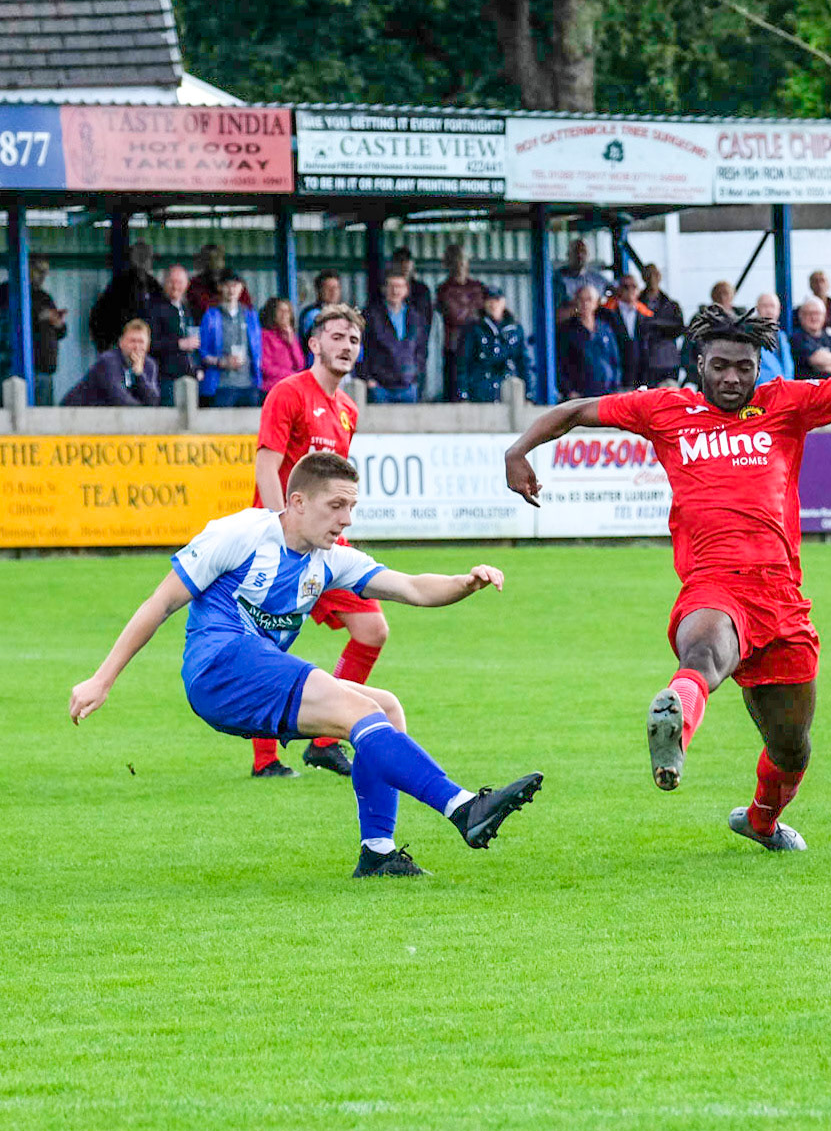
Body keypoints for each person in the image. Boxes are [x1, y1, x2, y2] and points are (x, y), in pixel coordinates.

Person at [502, 286, 831, 851]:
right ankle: (675, 719)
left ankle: (761, 821)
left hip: (782, 598)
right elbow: (575, 411)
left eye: (744, 368)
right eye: (720, 366)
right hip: (714, 585)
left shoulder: (785, 404)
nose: (732, 378)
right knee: (703, 654)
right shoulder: (665, 410)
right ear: (699, 363)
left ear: (758, 368)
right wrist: (517, 451)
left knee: (792, 748)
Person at [70, 450, 544, 879]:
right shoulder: (241, 534)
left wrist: (466, 582)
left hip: (255, 679)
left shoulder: (330, 560)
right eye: (336, 506)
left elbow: (413, 588)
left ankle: (377, 853)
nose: (346, 519)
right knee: (360, 712)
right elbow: (161, 603)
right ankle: (463, 807)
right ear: (297, 502)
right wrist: (102, 679)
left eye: (351, 507)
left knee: (386, 708)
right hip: (218, 668)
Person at [248, 304, 382, 780]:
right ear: (314, 343)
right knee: (269, 641)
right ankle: (265, 759)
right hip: (281, 540)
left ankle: (324, 742)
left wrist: (340, 529)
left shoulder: (347, 411)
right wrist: (278, 528)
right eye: (337, 337)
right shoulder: (288, 393)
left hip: (324, 546)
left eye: (354, 340)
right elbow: (267, 465)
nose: (346, 346)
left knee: (372, 630)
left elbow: (335, 485)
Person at [0, 257, 68, 406]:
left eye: (45, 272)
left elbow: (61, 332)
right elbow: (8, 324)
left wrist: (58, 324)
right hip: (14, 372)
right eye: (39, 270)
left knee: (44, 418)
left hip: (44, 372)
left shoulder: (44, 297)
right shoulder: (6, 293)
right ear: (26, 267)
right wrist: (39, 317)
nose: (43, 276)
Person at [198, 269, 262, 408]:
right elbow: (202, 352)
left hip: (249, 385)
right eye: (227, 285)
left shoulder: (250, 316)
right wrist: (222, 362)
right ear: (220, 287)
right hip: (221, 386)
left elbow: (258, 351)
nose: (231, 290)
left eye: (235, 285)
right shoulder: (211, 316)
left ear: (242, 288)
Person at [62, 318, 158, 406]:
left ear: (148, 344)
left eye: (141, 342)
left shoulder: (149, 365)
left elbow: (153, 400)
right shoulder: (109, 361)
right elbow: (119, 398)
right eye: (132, 341)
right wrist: (142, 411)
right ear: (121, 343)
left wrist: (139, 375)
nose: (137, 346)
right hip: (74, 411)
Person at [361, 273, 427, 403]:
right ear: (383, 289)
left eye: (399, 286)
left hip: (408, 386)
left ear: (406, 290)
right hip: (380, 387)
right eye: (391, 286)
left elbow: (421, 349)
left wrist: (416, 375)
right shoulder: (371, 316)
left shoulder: (415, 317)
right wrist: (367, 378)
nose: (395, 291)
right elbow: (361, 348)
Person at [89, 240, 165, 352]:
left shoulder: (153, 286)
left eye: (146, 258)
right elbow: (99, 318)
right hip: (124, 348)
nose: (144, 262)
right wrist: (108, 346)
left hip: (148, 348)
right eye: (140, 257)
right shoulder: (119, 285)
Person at [459, 286, 530, 402]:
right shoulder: (474, 328)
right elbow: (464, 362)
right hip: (481, 390)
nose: (493, 305)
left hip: (508, 388)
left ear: (503, 302)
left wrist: (528, 395)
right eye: (489, 301)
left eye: (497, 300)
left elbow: (523, 362)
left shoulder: (515, 329)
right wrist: (463, 395)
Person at [436, 244, 488, 401]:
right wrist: (473, 314)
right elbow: (454, 315)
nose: (459, 263)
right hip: (454, 348)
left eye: (462, 259)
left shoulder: (478, 287)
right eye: (455, 260)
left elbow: (486, 314)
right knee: (454, 392)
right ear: (447, 263)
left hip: (478, 347)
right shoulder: (443, 289)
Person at [148, 264, 201, 406]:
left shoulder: (187, 309)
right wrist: (179, 344)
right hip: (166, 379)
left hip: (190, 378)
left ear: (187, 285)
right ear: (164, 283)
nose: (175, 286)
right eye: (171, 282)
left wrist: (198, 368)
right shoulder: (154, 309)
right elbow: (150, 345)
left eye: (180, 282)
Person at [555, 283, 620, 399]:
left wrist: (615, 386)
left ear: (596, 303)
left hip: (607, 394)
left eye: (589, 299)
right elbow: (560, 364)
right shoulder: (567, 331)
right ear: (576, 302)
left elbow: (615, 360)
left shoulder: (605, 329)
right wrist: (569, 391)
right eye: (581, 299)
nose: (585, 304)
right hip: (581, 396)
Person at [639, 264, 686, 385]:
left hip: (668, 360)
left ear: (660, 277)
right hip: (646, 361)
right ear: (643, 278)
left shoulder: (671, 305)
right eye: (648, 275)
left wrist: (655, 325)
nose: (652, 279)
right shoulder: (637, 304)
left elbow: (679, 328)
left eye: (655, 275)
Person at [788, 297, 831, 379]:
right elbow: (816, 360)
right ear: (801, 315)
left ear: (824, 316)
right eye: (810, 313)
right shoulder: (796, 339)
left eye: (817, 313)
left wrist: (826, 369)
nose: (814, 317)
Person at [605, 270, 653, 385]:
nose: (630, 290)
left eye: (634, 286)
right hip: (617, 373)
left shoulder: (645, 315)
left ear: (639, 290)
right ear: (619, 290)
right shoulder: (608, 314)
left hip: (640, 375)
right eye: (626, 287)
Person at [187, 242, 251, 321]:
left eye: (217, 258)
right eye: (209, 259)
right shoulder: (195, 284)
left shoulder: (235, 283)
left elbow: (247, 309)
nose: (214, 263)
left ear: (223, 260)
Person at [554, 238, 610, 324]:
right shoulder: (558, 279)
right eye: (576, 251)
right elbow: (556, 314)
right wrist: (579, 309)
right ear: (568, 255)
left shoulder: (598, 279)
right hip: (569, 325)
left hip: (596, 326)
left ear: (588, 255)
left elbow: (617, 292)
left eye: (583, 251)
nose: (580, 255)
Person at [257, 298, 305, 395]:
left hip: (290, 385)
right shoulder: (265, 336)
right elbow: (266, 367)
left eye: (287, 311)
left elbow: (300, 365)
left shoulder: (291, 335)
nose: (284, 315)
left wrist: (291, 343)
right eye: (280, 311)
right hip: (271, 387)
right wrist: (289, 374)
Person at [385, 247, 435, 324]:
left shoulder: (422, 290)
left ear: (412, 264)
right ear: (393, 264)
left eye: (407, 261)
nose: (404, 264)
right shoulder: (386, 289)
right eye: (400, 261)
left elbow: (428, 317)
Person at [754, 292, 794, 384]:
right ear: (757, 309)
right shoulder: (751, 336)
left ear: (778, 310)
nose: (769, 311)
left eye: (772, 306)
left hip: (786, 389)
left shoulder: (782, 337)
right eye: (765, 306)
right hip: (762, 390)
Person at [300, 269, 344, 341]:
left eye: (336, 288)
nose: (333, 291)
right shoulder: (312, 314)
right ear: (319, 290)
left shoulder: (343, 312)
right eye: (328, 288)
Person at [808, 270, 831, 339]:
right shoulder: (805, 308)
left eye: (822, 281)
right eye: (816, 281)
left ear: (828, 284)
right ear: (810, 285)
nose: (819, 285)